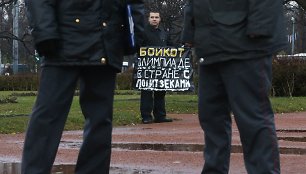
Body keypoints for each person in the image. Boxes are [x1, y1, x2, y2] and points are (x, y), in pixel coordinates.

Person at [21, 0, 144, 173]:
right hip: (63, 41)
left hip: (106, 38)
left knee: (100, 119)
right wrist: (44, 32)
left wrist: (135, 34)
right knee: (48, 114)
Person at [182, 0, 287, 173]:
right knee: (210, 117)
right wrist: (190, 31)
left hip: (246, 44)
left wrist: (259, 28)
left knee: (252, 118)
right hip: (210, 44)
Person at [140, 11, 173, 124]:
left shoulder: (164, 32)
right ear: (148, 19)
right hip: (147, 68)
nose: (154, 19)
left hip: (161, 68)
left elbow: (170, 46)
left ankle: (160, 116)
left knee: (161, 91)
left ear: (160, 19)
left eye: (156, 17)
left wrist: (183, 48)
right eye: (152, 17)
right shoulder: (143, 32)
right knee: (147, 92)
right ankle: (146, 116)